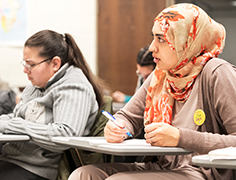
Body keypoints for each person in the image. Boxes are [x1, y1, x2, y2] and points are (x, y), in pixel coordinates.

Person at [69, 3, 236, 180]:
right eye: (153, 38)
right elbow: (128, 116)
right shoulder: (162, 74)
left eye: (161, 39)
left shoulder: (217, 72)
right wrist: (117, 126)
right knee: (83, 174)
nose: (151, 47)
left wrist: (180, 137)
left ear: (186, 40)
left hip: (202, 171)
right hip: (162, 165)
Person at [0, 29, 104, 180]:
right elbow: (16, 118)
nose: (25, 70)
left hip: (41, 169)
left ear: (55, 63)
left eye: (31, 65)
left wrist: (11, 125)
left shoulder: (73, 87)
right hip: (14, 158)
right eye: (24, 64)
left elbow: (65, 134)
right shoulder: (36, 85)